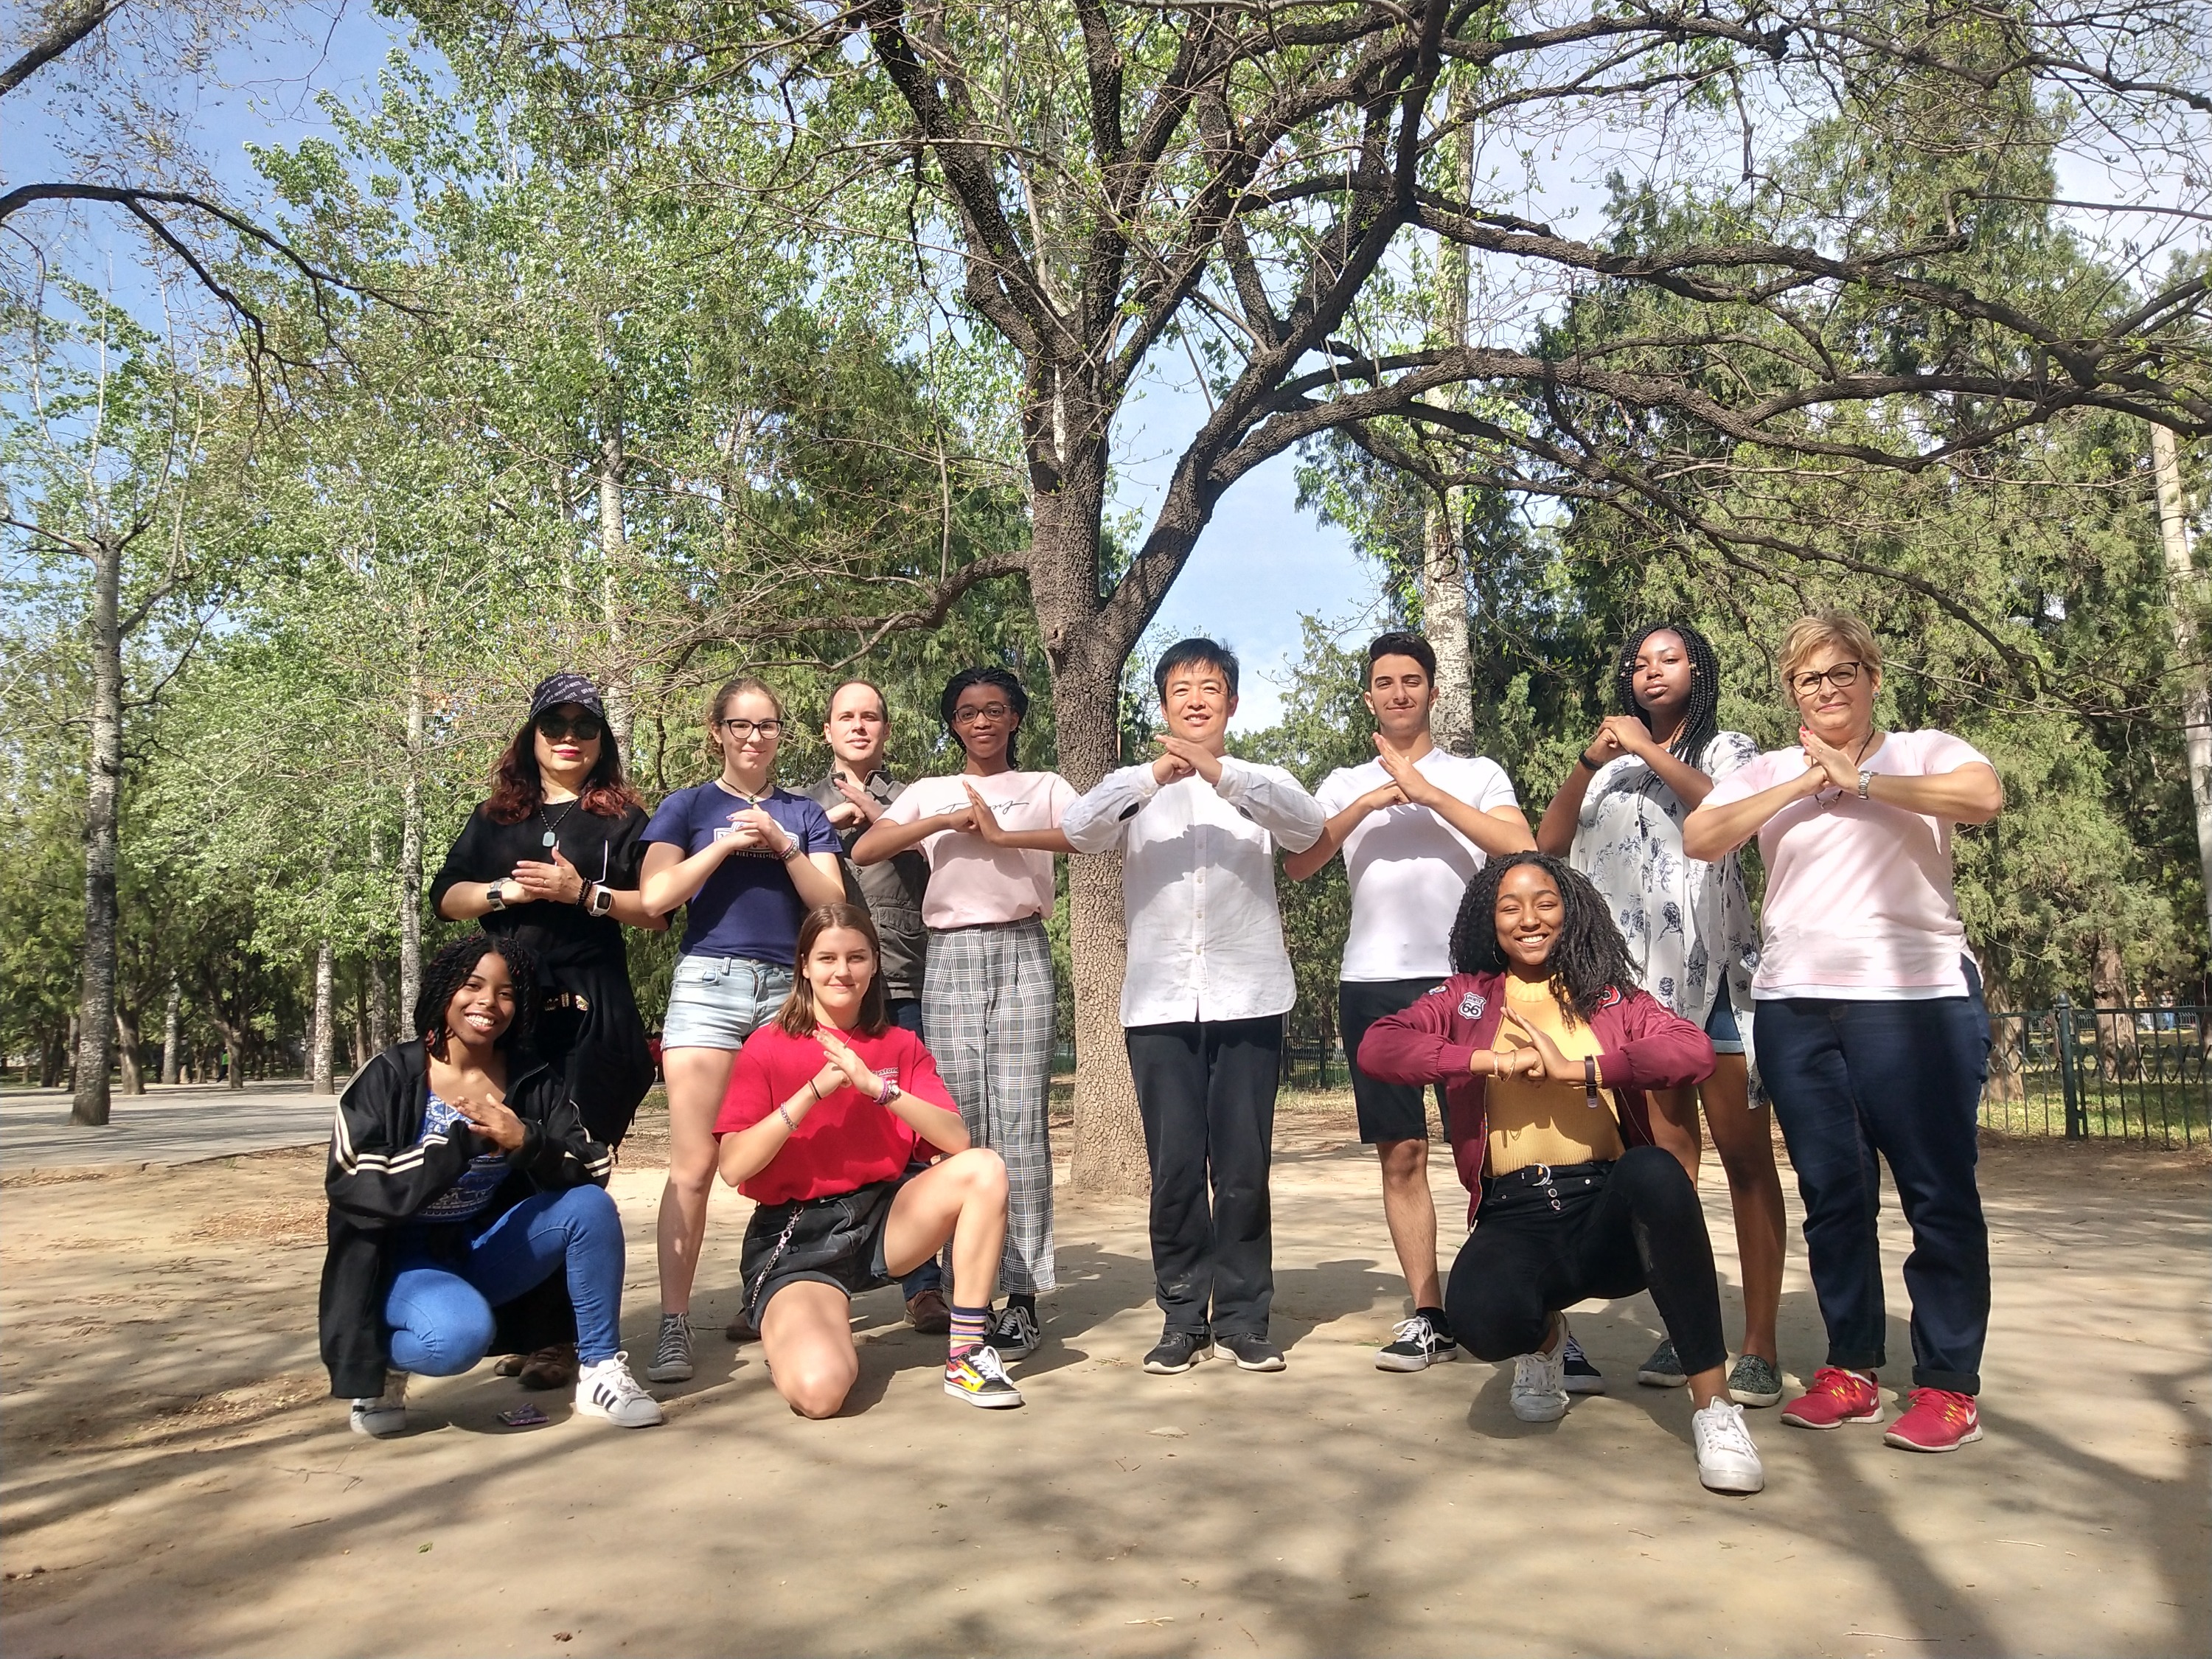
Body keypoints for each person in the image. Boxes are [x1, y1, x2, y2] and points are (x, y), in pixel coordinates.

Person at [1685, 612, 2003, 1454]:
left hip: (1918, 998)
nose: (1826, 690)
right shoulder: (1770, 771)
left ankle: (1946, 1385)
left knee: (1937, 1192)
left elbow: (1983, 798)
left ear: (1871, 677)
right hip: (1796, 1002)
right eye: (1807, 680)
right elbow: (1703, 835)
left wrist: (1862, 784)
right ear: (1791, 691)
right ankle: (1852, 1369)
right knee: (1834, 1195)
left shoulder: (1925, 751)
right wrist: (1803, 784)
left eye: (1841, 674)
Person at [1357, 854, 1765, 1495]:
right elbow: (1379, 1045)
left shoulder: (1607, 996)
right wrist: (1485, 1059)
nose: (1529, 920)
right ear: (1489, 922)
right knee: (1479, 1320)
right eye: (1510, 907)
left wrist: (1585, 1070)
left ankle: (1714, 1409)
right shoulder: (1466, 998)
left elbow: (1688, 1049)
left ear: (1569, 910)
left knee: (1656, 1173)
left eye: (1545, 902)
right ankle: (1545, 1343)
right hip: (1514, 1213)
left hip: (1605, 1205)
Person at [1534, 622, 1787, 1407]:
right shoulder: (1607, 776)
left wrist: (1649, 752)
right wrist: (1589, 763)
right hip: (1637, 997)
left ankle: (1760, 1345)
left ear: (1697, 671)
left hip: (1716, 985)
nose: (1650, 672)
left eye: (1668, 659)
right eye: (1638, 662)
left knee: (1746, 1161)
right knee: (1672, 1173)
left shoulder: (1726, 749)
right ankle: (1692, 1330)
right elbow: (1545, 846)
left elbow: (1731, 814)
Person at [1062, 639, 1325, 1376]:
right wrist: (1154, 775)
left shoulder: (1263, 781)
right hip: (1160, 1007)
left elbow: (1307, 829)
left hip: (1249, 999)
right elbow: (1081, 833)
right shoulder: (1134, 788)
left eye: (1211, 687)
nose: (1197, 699)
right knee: (1177, 1168)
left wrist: (1222, 775)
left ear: (1233, 702)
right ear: (1164, 703)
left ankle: (1244, 1318)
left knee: (1242, 1168)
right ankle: (1182, 1316)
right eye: (1182, 689)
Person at [1286, 630, 1533, 1373]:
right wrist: (1369, 800)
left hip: (1466, 983)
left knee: (1492, 1154)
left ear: (1432, 690)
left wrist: (1428, 793)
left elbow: (1519, 848)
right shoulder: (1339, 782)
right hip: (1373, 985)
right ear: (1369, 696)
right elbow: (1301, 863)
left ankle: (1529, 1314)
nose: (1399, 693)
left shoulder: (1475, 772)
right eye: (1385, 683)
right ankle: (1428, 1311)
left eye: (1412, 681)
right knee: (1403, 1154)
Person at [321, 933, 661, 1436]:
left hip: (481, 1247)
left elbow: (593, 1165)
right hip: (400, 1260)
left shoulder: (530, 1079)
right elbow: (351, 1180)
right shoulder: (391, 1074)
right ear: (444, 992)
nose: (488, 1003)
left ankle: (600, 1371)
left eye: (506, 993)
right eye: (473, 985)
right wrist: (459, 1146)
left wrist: (524, 1138)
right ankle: (382, 1362)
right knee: (457, 1340)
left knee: (588, 1206)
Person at [429, 672, 667, 1391]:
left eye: (584, 727)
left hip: (595, 1017)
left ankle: (566, 1339)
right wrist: (508, 890)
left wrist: (582, 893)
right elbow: (448, 896)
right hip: (511, 1015)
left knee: (574, 1168)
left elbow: (655, 910)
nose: (570, 738)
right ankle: (533, 1331)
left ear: (602, 741)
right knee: (511, 1164)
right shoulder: (496, 819)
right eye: (555, 725)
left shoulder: (626, 818)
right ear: (531, 737)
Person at [715, 903, 1023, 1415]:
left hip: (884, 1218)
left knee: (984, 1171)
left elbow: (958, 1140)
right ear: (804, 966)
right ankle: (792, 1335)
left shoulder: (899, 1045)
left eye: (857, 957)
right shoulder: (766, 1047)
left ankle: (967, 1355)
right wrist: (812, 1092)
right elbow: (733, 1167)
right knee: (821, 1393)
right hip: (800, 1237)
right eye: (828, 958)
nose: (843, 971)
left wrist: (876, 1088)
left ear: (875, 964)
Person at [852, 667, 1075, 1358]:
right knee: (959, 1125)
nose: (982, 721)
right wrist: (945, 821)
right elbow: (865, 848)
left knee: (1019, 1121)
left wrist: (1003, 834)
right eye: (969, 711)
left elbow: (1087, 837)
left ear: (1015, 719)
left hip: (1021, 948)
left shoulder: (1044, 786)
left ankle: (1024, 1296)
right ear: (953, 722)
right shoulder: (930, 791)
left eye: (996, 710)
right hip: (947, 955)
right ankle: (967, 1291)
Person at [637, 676, 846, 1385]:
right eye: (740, 725)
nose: (754, 737)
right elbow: (658, 897)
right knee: (694, 1166)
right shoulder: (688, 805)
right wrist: (725, 845)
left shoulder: (803, 814)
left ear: (783, 733)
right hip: (709, 987)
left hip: (790, 993)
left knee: (798, 1151)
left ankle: (780, 1292)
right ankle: (673, 1325)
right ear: (718, 731)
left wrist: (784, 844)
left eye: (768, 726)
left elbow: (834, 904)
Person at [801, 678, 948, 1335]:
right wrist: (830, 828)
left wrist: (894, 829)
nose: (859, 727)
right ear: (827, 731)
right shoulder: (801, 805)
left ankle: (923, 1285)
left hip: (907, 983)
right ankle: (789, 1276)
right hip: (823, 996)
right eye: (847, 717)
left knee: (912, 1133)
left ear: (885, 731)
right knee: (813, 1127)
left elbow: (950, 869)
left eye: (871, 718)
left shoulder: (917, 801)